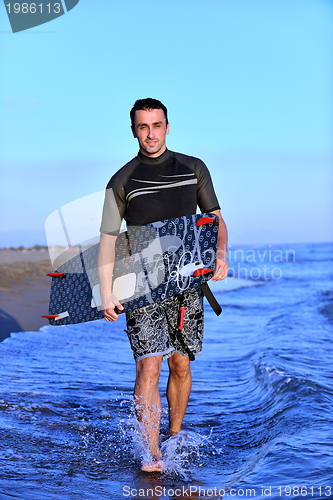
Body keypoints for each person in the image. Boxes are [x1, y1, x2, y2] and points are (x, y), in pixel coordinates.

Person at [98, 98, 228, 472]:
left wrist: (219, 255)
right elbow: (108, 238)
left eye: (157, 125)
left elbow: (216, 218)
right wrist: (107, 291)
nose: (151, 134)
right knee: (148, 367)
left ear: (167, 127)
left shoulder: (193, 168)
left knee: (181, 365)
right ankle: (151, 454)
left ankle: (174, 433)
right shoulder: (121, 180)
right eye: (143, 127)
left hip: (186, 281)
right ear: (134, 130)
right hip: (141, 284)